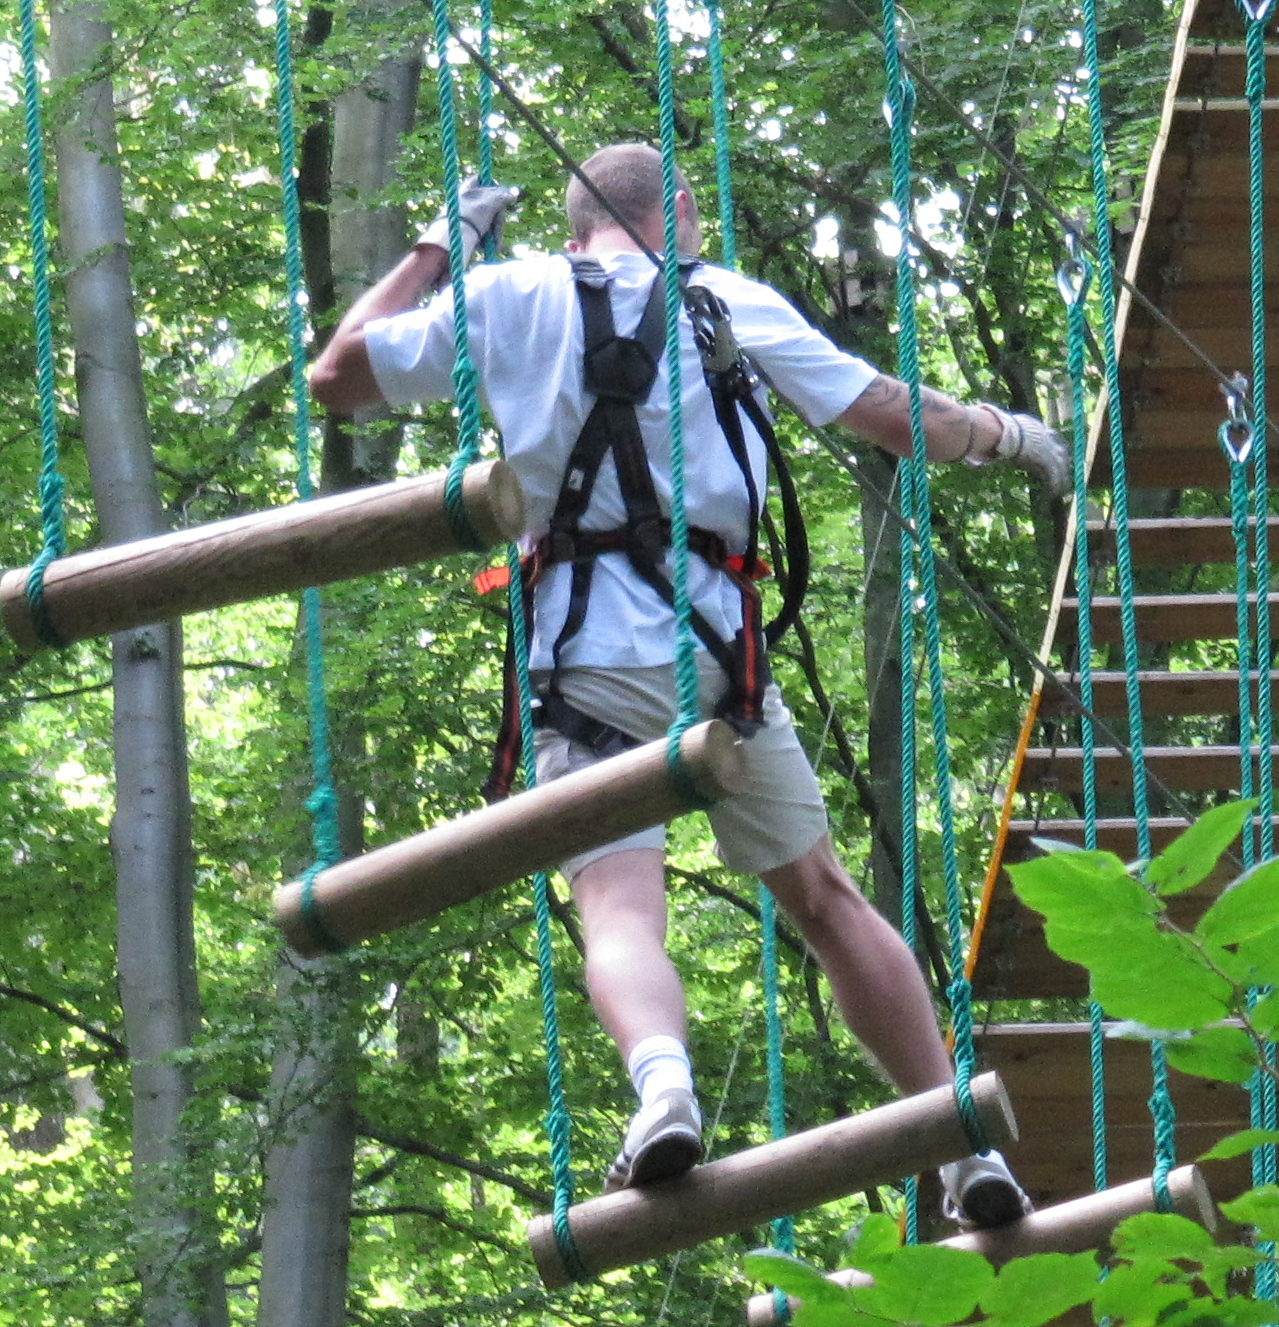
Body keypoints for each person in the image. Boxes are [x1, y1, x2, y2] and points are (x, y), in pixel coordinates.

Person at [310, 143, 1068, 1218]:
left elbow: (336, 378)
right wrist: (1016, 436)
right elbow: (899, 417)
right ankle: (960, 1147)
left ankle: (662, 1085)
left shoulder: (505, 295)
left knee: (619, 905)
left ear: (574, 227)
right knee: (823, 898)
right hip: (716, 656)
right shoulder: (723, 300)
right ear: (684, 216)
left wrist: (442, 245)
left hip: (579, 657)